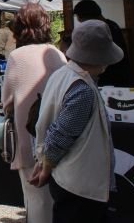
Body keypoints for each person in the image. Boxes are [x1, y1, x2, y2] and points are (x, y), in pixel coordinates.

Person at [31, 20, 123, 223]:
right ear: (99, 57)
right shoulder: (82, 89)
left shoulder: (63, 74)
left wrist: (44, 162)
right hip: (80, 184)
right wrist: (46, 167)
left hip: (69, 178)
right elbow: (61, 134)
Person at [1, 2, 66, 223]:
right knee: (56, 197)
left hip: (29, 135)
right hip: (59, 134)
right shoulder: (57, 54)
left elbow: (6, 101)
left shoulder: (17, 57)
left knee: (35, 197)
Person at [73, 0, 133, 87]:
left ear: (88, 18)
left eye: (82, 21)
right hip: (117, 77)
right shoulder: (112, 25)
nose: (83, 24)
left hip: (112, 80)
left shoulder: (103, 30)